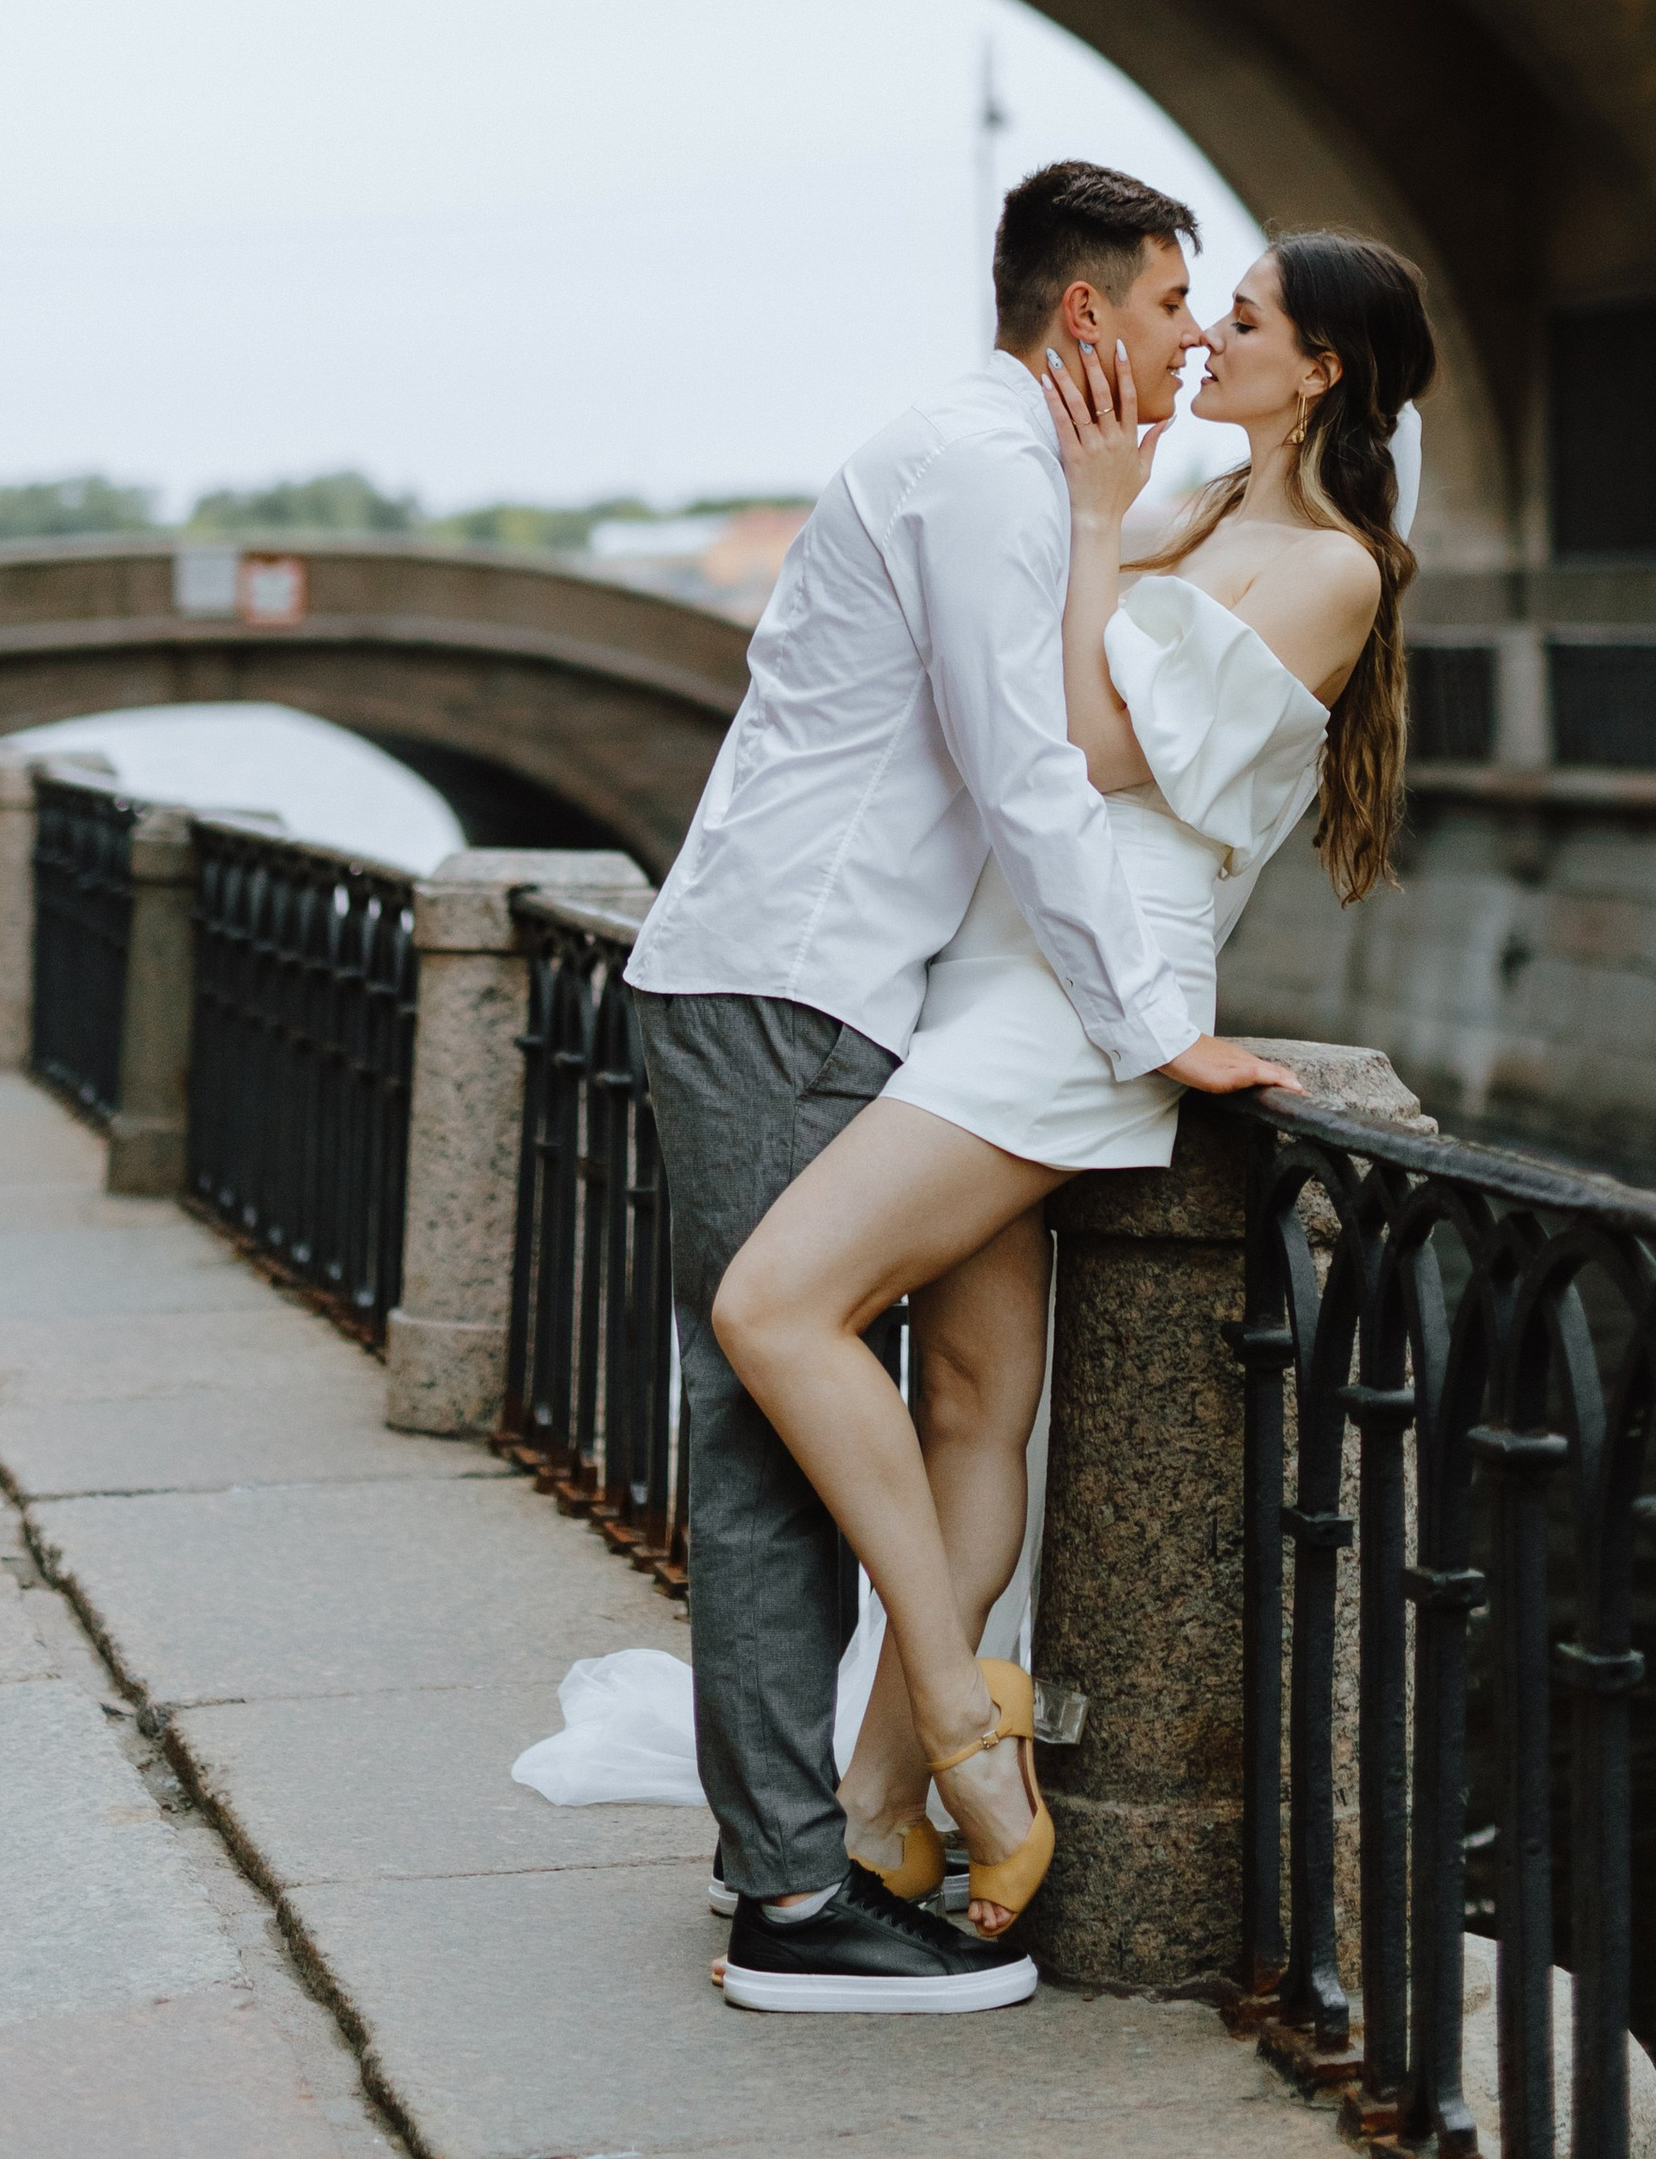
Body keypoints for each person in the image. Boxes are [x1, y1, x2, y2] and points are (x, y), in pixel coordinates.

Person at [623, 162, 1306, 2015]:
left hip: (808, 977)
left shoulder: (995, 455)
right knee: (769, 1443)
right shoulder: (989, 467)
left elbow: (1128, 589)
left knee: (791, 1415)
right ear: (1088, 316)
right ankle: (791, 1898)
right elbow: (1033, 775)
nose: (1185, 347)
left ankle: (805, 1841)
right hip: (794, 982)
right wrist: (1155, 1019)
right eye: (1174, 311)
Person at [712, 224, 1430, 1948]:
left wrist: (1100, 523)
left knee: (774, 1306)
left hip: (1089, 995)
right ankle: (883, 1815)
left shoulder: (1334, 566)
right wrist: (1113, 516)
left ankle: (961, 1711)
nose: (1206, 345)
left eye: (1236, 320)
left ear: (1318, 365)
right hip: (999, 960)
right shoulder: (1198, 512)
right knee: (972, 1402)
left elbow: (1102, 749)